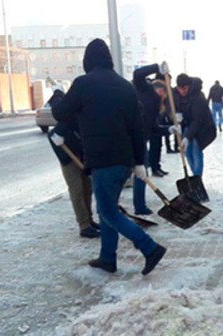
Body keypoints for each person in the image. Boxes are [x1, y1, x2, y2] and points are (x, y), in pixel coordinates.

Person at [52, 38, 166, 275]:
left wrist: (58, 96)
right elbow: (138, 128)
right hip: (124, 160)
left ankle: (150, 248)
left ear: (87, 60)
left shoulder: (83, 84)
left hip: (102, 159)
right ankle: (107, 258)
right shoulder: (126, 86)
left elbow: (60, 112)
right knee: (108, 208)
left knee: (108, 212)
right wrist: (138, 162)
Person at [46, 88, 100, 239]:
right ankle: (84, 225)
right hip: (68, 157)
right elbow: (53, 136)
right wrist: (64, 156)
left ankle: (89, 220)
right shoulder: (70, 117)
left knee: (87, 188)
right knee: (76, 190)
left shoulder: (86, 115)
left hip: (81, 155)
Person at [131, 63, 176, 215]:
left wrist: (169, 130)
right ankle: (109, 207)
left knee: (142, 174)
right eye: (162, 90)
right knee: (123, 174)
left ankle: (140, 206)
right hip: (127, 138)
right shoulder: (144, 88)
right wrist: (156, 67)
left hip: (141, 141)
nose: (163, 93)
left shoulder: (157, 103)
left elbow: (153, 127)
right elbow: (137, 74)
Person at [174, 73, 217, 177]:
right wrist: (175, 115)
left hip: (202, 128)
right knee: (187, 153)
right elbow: (169, 105)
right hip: (187, 126)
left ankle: (198, 179)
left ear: (189, 85)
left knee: (196, 152)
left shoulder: (198, 97)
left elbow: (197, 120)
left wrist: (187, 137)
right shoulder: (175, 93)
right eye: (180, 88)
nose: (183, 91)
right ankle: (195, 177)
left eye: (185, 88)